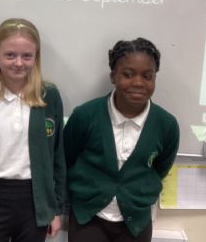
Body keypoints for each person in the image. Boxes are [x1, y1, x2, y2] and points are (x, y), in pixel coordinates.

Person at [0, 18, 66, 242]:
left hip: (34, 202)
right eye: (10, 55)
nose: (18, 63)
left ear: (36, 56)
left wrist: (54, 208)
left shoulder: (49, 96)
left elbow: (57, 157)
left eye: (27, 56)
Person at [64, 37, 180, 242]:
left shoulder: (166, 125)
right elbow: (68, 159)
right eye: (128, 74)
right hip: (88, 218)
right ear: (113, 76)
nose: (138, 83)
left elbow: (160, 168)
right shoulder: (85, 115)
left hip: (136, 223)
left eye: (147, 76)